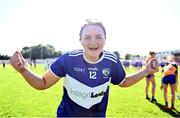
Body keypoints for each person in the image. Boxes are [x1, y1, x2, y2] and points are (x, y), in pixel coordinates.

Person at [10, 19, 159, 117]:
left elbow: (123, 81)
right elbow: (43, 83)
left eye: (99, 37)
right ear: (80, 40)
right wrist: (23, 69)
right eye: (87, 37)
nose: (93, 42)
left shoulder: (112, 60)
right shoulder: (68, 59)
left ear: (105, 40)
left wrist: (146, 71)